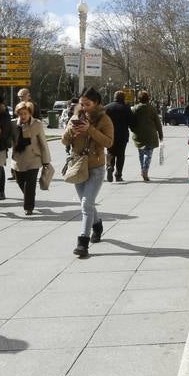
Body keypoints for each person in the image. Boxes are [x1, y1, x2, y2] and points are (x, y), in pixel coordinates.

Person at [60, 88, 114, 258]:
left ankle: (83, 242)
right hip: (77, 165)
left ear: (96, 103)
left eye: (88, 104)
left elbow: (109, 142)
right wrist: (71, 131)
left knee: (86, 204)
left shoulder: (104, 119)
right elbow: (64, 140)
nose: (83, 107)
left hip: (96, 167)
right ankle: (97, 225)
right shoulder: (76, 117)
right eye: (81, 104)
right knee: (87, 204)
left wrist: (90, 129)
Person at [10, 99, 51, 214]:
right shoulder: (13, 124)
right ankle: (30, 195)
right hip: (18, 159)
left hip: (34, 158)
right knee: (20, 182)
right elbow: (8, 139)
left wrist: (46, 160)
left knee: (30, 183)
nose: (23, 116)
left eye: (25, 113)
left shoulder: (37, 124)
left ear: (30, 113)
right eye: (20, 114)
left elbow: (43, 142)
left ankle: (28, 207)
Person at [130, 90, 163, 182]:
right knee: (148, 154)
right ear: (148, 98)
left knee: (141, 154)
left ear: (139, 98)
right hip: (150, 135)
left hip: (139, 135)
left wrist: (134, 130)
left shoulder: (134, 109)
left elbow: (131, 122)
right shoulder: (152, 109)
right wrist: (160, 135)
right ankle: (145, 170)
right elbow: (158, 122)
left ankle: (143, 170)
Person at [104, 90, 134, 182]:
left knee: (110, 153)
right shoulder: (126, 108)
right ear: (123, 98)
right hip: (122, 135)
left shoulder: (107, 108)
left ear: (114, 97)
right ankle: (118, 175)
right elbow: (131, 122)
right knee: (120, 155)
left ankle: (110, 166)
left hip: (109, 135)